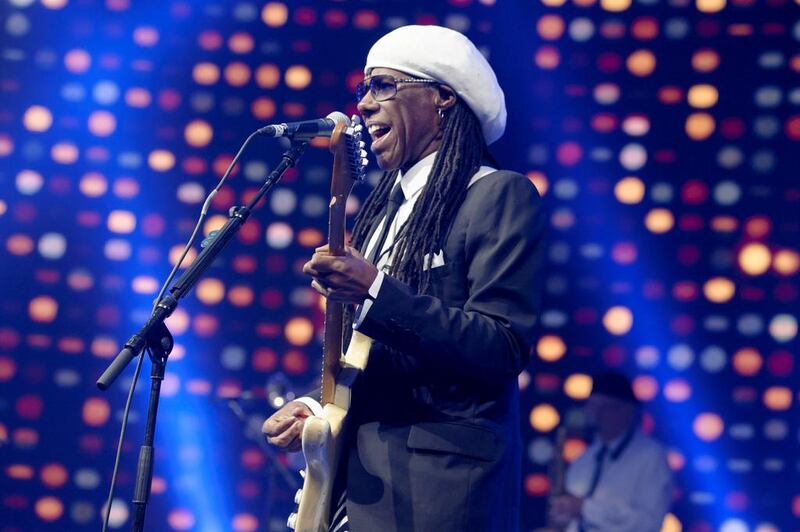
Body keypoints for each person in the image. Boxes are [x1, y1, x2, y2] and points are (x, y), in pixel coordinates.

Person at [263, 25, 545, 531]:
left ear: (442, 99)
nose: (365, 105)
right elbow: (371, 353)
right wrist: (316, 405)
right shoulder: (384, 212)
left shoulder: (497, 194)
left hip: (438, 490)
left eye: (385, 86)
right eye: (364, 90)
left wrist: (373, 291)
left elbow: (503, 345)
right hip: (361, 484)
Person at [549, 372, 673, 532]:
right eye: (592, 406)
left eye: (605, 408)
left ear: (627, 411)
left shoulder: (651, 457)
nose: (596, 414)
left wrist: (585, 509)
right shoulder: (585, 458)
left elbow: (649, 523)